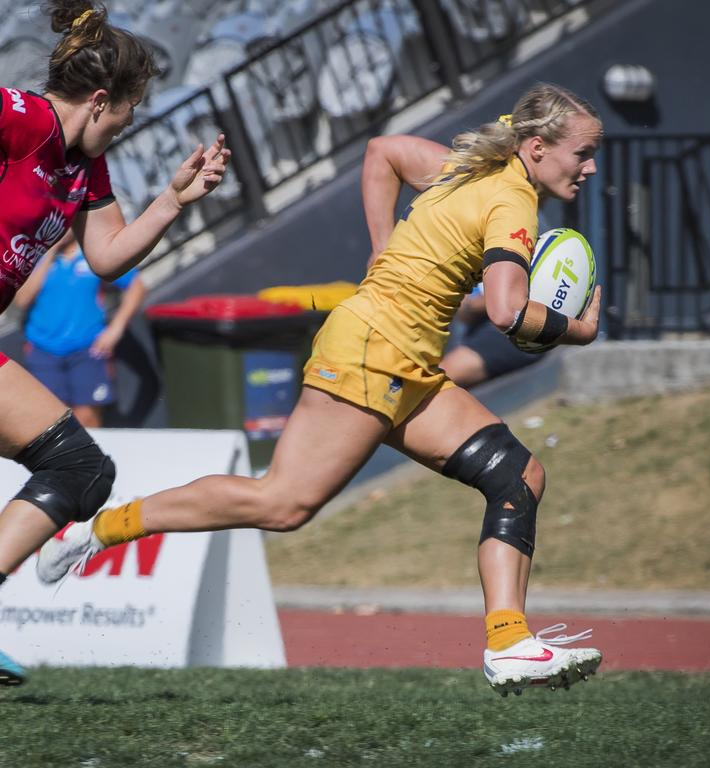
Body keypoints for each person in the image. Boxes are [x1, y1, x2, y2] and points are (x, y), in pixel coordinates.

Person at [39, 83, 603, 697]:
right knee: (282, 504)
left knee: (518, 476)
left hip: (404, 364)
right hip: (371, 356)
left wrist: (382, 245)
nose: (591, 166)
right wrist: (579, 329)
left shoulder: (468, 168)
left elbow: (383, 152)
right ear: (540, 148)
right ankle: (99, 530)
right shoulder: (512, 201)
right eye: (583, 153)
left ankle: (508, 643)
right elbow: (505, 311)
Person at [0, 0, 231, 686]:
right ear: (102, 100)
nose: (131, 122)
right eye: (129, 108)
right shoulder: (24, 118)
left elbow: (107, 257)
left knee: (80, 472)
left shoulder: (83, 167)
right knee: (78, 469)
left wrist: (173, 200)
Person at [15, 228, 147, 428]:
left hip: (87, 348)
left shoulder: (93, 254)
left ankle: (89, 459)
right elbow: (22, 300)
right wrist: (50, 251)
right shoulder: (35, 258)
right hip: (44, 349)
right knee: (51, 421)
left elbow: (136, 286)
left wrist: (116, 328)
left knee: (87, 418)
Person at [441, 282, 545, 388]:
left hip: (518, 327)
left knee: (437, 378)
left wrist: (479, 302)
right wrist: (467, 305)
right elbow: (465, 316)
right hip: (479, 328)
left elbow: (520, 294)